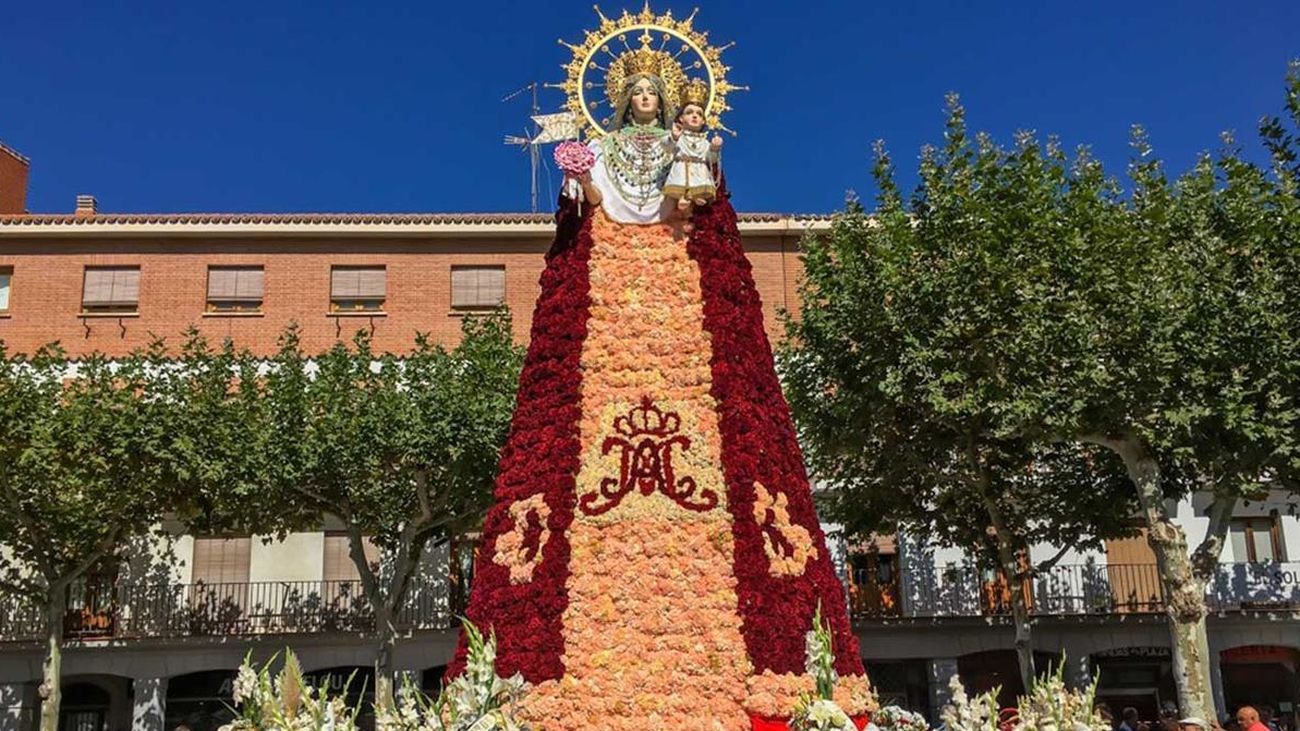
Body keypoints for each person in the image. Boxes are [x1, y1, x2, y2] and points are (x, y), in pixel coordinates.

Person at [662, 77, 722, 214]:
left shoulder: (704, 141)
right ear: (681, 118)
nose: (694, 116)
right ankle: (683, 197)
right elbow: (666, 147)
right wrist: (674, 137)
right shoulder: (678, 135)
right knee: (680, 181)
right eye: (689, 113)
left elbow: (710, 159)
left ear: (703, 121)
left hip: (699, 169)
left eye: (699, 114)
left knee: (700, 183)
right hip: (682, 167)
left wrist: (714, 148)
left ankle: (696, 196)